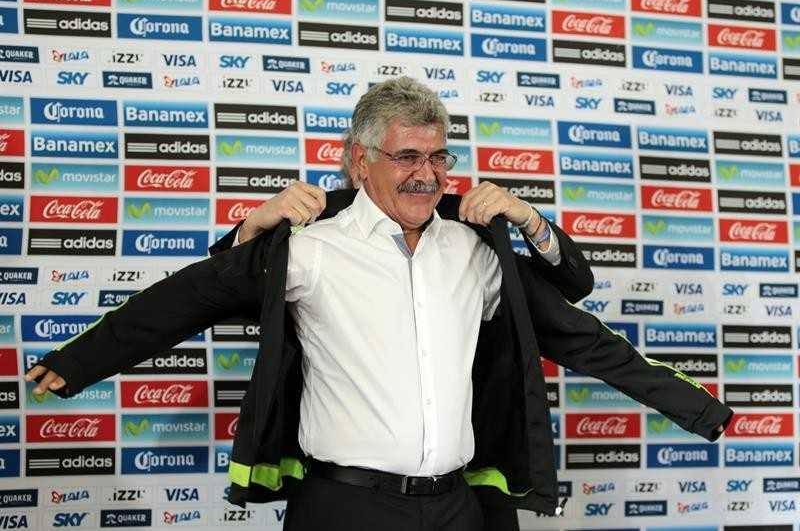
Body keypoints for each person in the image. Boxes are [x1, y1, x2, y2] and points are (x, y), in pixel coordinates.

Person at [27, 77, 732, 531]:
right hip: (344, 508)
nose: (427, 174)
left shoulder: (474, 248)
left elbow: (581, 334)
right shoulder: (311, 245)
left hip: (461, 508)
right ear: (359, 161)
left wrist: (697, 409)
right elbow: (188, 296)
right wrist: (78, 361)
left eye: (438, 157)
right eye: (407, 157)